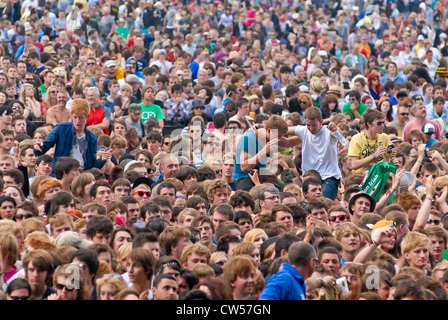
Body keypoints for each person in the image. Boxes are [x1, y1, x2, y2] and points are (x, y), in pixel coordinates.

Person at [33, 99, 111, 176]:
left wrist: (102, 160)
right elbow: (45, 146)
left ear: (87, 117)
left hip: (81, 177)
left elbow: (92, 166)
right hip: (62, 174)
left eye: (81, 117)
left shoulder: (92, 138)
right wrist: (38, 147)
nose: (78, 121)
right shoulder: (61, 128)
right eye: (75, 117)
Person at [259, 241, 335, 300]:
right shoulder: (283, 278)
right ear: (312, 262)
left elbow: (308, 284)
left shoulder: (296, 279)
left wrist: (324, 282)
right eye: (316, 261)